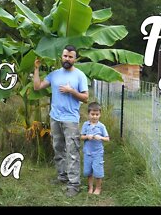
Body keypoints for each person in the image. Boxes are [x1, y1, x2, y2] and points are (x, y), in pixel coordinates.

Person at [33, 45, 89, 197]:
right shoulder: (54, 75)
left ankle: (74, 184)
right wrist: (36, 69)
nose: (67, 59)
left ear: (75, 59)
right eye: (65, 56)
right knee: (58, 148)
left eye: (70, 57)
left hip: (71, 120)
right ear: (61, 57)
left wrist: (71, 91)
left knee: (72, 151)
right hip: (55, 118)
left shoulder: (80, 76)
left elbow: (85, 98)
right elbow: (37, 87)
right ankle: (62, 177)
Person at [80, 102, 109, 195]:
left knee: (98, 171)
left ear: (100, 115)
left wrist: (100, 137)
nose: (94, 116)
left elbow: (107, 139)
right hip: (87, 153)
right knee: (88, 171)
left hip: (98, 153)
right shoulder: (85, 125)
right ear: (88, 114)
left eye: (97, 114)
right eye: (92, 114)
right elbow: (81, 137)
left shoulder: (101, 126)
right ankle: (90, 187)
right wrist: (87, 136)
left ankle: (98, 188)